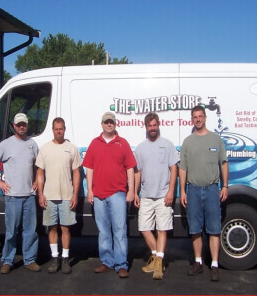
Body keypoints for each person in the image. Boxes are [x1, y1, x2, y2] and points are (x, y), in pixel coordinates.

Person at [82, 112, 136, 279]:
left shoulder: (123, 143)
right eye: (106, 122)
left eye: (111, 122)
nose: (109, 124)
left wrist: (132, 190)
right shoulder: (94, 143)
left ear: (115, 124)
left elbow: (130, 168)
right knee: (104, 231)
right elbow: (89, 168)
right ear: (102, 124)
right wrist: (89, 190)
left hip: (118, 194)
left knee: (120, 230)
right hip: (98, 195)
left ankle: (121, 265)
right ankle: (107, 262)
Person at [179, 105, 229, 282]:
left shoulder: (216, 140)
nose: (198, 119)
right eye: (195, 117)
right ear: (192, 119)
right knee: (195, 229)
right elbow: (182, 168)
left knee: (214, 229)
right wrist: (182, 190)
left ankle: (214, 265)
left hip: (212, 190)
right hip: (192, 190)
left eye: (200, 116)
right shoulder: (187, 142)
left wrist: (225, 186)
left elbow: (223, 163)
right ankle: (198, 262)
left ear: (205, 117)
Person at [0, 113, 41, 274]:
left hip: (29, 196)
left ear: (27, 125)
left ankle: (30, 260)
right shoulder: (6, 144)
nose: (22, 127)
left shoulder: (32, 144)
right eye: (19, 125)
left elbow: (38, 166)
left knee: (30, 231)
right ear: (14, 126)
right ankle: (8, 261)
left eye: (24, 124)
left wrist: (37, 181)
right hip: (12, 196)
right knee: (11, 231)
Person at [134, 112, 179, 280]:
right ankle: (158, 257)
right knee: (144, 228)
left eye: (154, 125)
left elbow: (173, 169)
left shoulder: (168, 145)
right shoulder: (140, 148)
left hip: (163, 196)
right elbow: (137, 172)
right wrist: (136, 191)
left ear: (158, 125)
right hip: (146, 195)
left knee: (162, 229)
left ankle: (158, 263)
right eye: (149, 126)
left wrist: (170, 192)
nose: (152, 128)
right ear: (146, 127)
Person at [35, 117, 81, 274]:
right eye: (56, 129)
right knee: (52, 228)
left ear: (64, 129)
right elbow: (40, 172)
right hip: (49, 196)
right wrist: (40, 194)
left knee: (66, 228)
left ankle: (65, 259)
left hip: (67, 196)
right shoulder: (45, 149)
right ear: (53, 130)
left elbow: (76, 173)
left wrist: (75, 194)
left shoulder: (71, 148)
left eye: (61, 128)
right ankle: (55, 259)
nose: (59, 131)